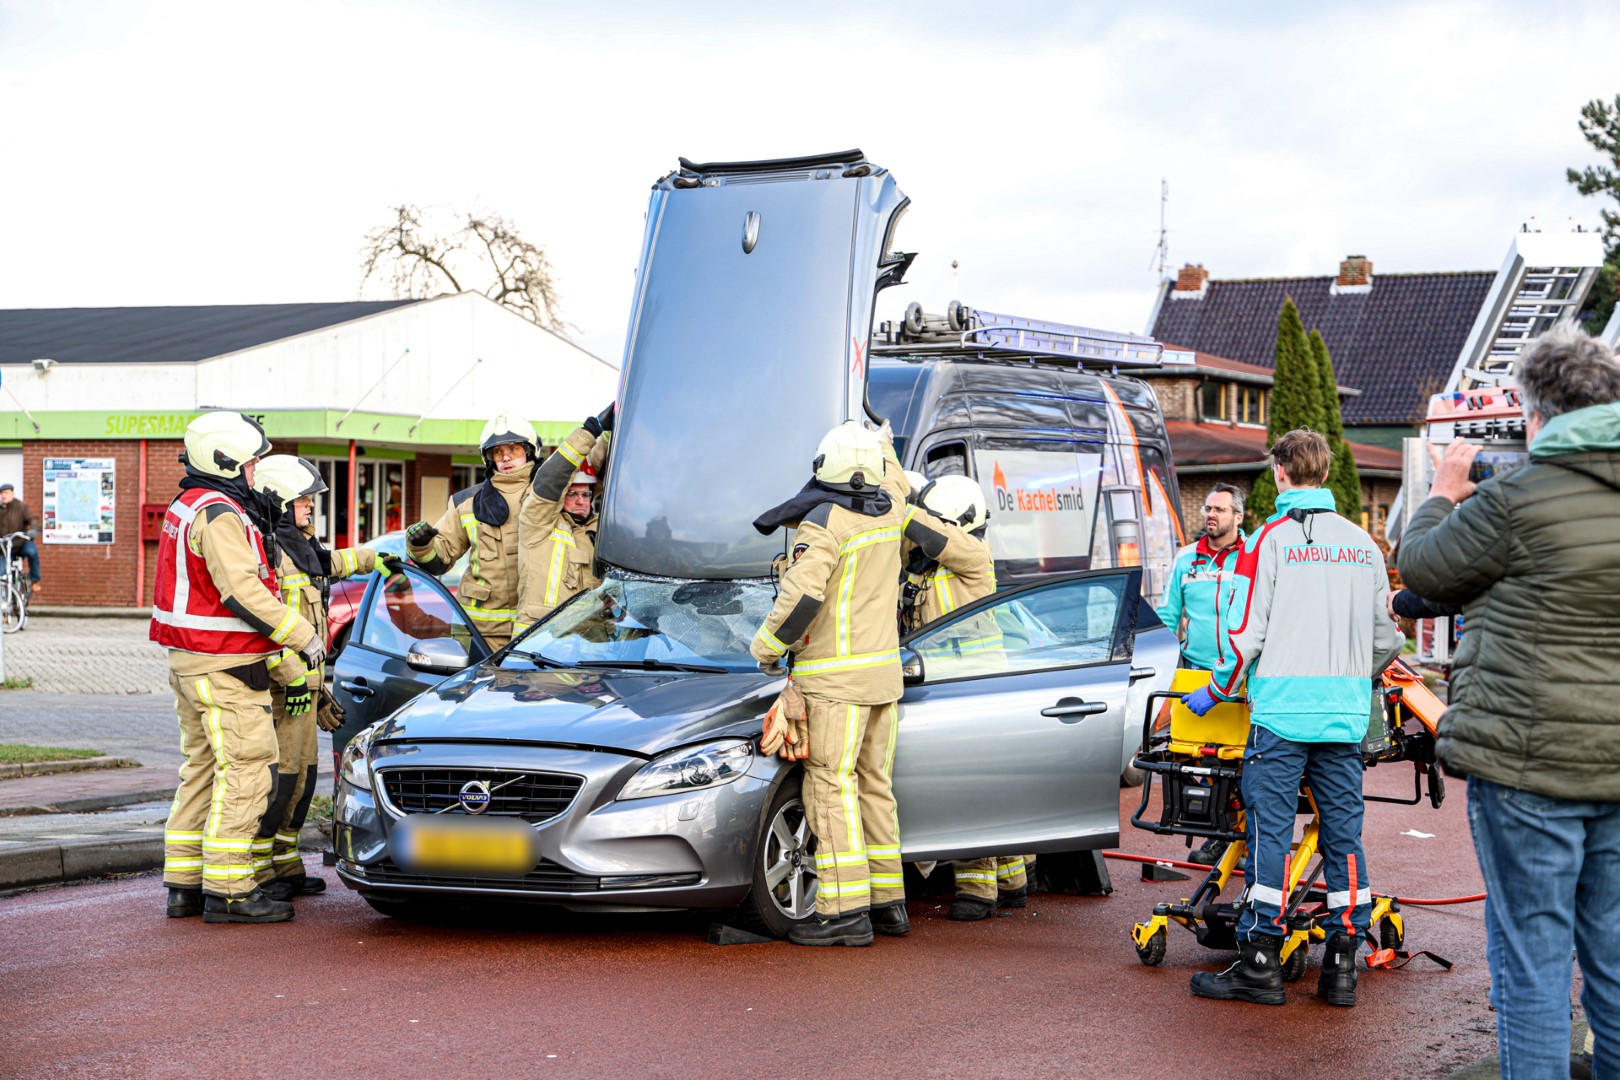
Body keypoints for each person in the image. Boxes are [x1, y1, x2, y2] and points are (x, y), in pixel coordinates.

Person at [1396, 325, 1620, 1077]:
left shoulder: (1517, 500)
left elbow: (1425, 570)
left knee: (1533, 963)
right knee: (1615, 959)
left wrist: (1440, 494)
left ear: (1536, 413)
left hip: (1528, 767)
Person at [1181, 429, 1402, 1006]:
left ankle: (1260, 964)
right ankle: (1342, 967)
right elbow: (1387, 639)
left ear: (1279, 473)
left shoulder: (1268, 542)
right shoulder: (1363, 544)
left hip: (1280, 717)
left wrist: (1217, 689)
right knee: (1343, 837)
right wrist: (1349, 675)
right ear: (1325, 473)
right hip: (1344, 717)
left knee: (1271, 835)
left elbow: (1245, 635)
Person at [151, 412, 321, 924]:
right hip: (225, 665)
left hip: (190, 662)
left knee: (202, 770)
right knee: (249, 769)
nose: (254, 474)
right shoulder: (220, 513)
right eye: (250, 464)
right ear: (224, 462)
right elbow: (242, 591)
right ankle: (229, 889)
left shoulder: (188, 504)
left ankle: (184, 883)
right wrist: (302, 636)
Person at [751, 419, 910, 946]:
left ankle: (843, 912)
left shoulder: (824, 523)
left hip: (835, 683)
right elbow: (895, 479)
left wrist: (766, 650)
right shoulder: (892, 505)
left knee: (830, 787)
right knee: (874, 785)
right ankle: (887, 902)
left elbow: (801, 598)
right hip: (883, 679)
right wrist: (884, 442)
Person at [252, 455, 393, 901]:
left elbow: (330, 563)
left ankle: (285, 864)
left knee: (303, 780)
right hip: (283, 688)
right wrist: (294, 676)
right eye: (303, 499)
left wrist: (376, 559)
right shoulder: (269, 551)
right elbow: (261, 622)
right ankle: (260, 871)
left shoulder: (300, 545)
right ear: (279, 501)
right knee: (280, 782)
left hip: (306, 686)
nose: (311, 505)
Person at [898, 473, 1027, 918]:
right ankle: (1012, 880)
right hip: (943, 681)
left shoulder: (973, 554)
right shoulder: (926, 565)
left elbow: (934, 536)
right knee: (986, 784)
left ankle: (977, 891)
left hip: (974, 683)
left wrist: (899, 506)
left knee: (969, 784)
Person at [1156, 483, 1249, 865]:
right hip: (1197, 674)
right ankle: (1221, 838)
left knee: (1245, 764)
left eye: (1220, 509)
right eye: (1208, 508)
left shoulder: (1253, 556)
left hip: (1243, 677)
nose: (1211, 514)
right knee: (1207, 762)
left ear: (1238, 517)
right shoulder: (1186, 559)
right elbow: (1167, 617)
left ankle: (1244, 843)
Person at [405, 414, 538, 651]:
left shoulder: (547, 496)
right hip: (479, 632)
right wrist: (422, 546)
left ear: (529, 451)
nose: (505, 457)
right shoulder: (465, 503)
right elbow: (442, 557)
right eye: (497, 451)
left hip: (537, 630)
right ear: (488, 457)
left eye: (513, 448)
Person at [516, 403, 614, 633]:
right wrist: (592, 430)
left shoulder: (599, 532)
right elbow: (550, 480)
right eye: (572, 494)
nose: (581, 501)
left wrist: (613, 432)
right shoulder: (538, 523)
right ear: (561, 496)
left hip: (587, 644)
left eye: (586, 495)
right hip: (536, 643)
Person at [0, 482, 41, 594]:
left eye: (6, 493)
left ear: (12, 494)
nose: (3, 495)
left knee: (32, 552)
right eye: (2, 493)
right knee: (2, 573)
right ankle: (7, 599)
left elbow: (32, 519)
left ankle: (35, 580)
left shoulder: (21, 506)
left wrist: (34, 530)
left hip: (21, 542)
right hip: (4, 547)